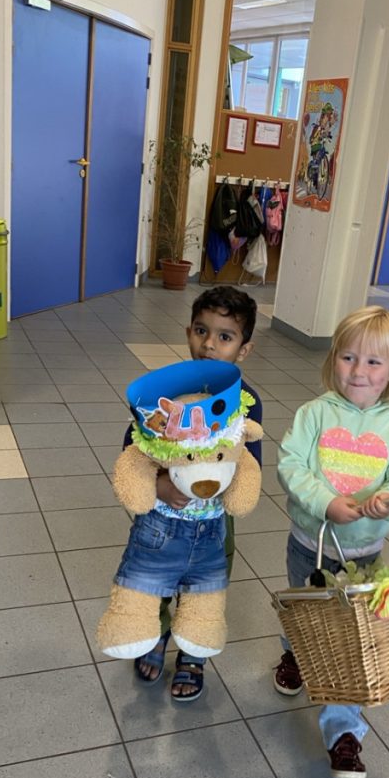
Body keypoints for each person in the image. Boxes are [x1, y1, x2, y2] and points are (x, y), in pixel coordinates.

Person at [273, 305, 389, 778]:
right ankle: (295, 652)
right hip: (310, 546)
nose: (358, 371)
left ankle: (344, 733)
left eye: (374, 362)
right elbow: (291, 465)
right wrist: (326, 502)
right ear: (333, 358)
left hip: (365, 555)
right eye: (348, 357)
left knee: (348, 642)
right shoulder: (314, 414)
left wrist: (387, 500)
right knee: (304, 615)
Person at [128, 286, 262, 701]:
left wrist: (225, 491)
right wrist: (158, 485)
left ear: (243, 349)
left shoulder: (247, 402)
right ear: (188, 332)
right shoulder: (165, 393)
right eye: (201, 331)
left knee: (205, 587)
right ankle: (157, 633)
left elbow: (248, 461)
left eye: (225, 336)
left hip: (215, 520)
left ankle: (192, 654)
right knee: (156, 578)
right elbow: (135, 448)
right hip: (162, 515)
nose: (209, 344)